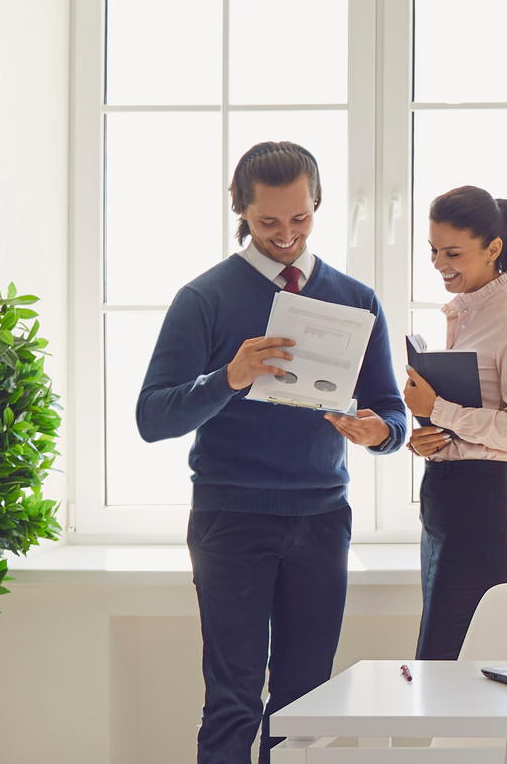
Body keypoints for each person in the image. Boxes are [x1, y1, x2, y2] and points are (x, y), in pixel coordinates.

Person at [136, 142, 408, 764]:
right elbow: (152, 417)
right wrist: (228, 378)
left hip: (320, 520)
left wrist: (378, 433)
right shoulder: (204, 299)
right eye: (268, 223)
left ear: (317, 205)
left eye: (300, 219)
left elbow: (392, 413)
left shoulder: (356, 300)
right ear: (240, 211)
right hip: (231, 518)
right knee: (232, 700)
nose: (286, 235)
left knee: (306, 705)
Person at [404, 185, 507, 660]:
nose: (438, 262)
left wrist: (441, 409)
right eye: (432, 250)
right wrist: (431, 438)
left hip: (479, 515)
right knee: (440, 675)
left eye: (452, 252)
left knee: (445, 673)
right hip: (442, 507)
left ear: (493, 249)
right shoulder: (463, 315)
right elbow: (472, 423)